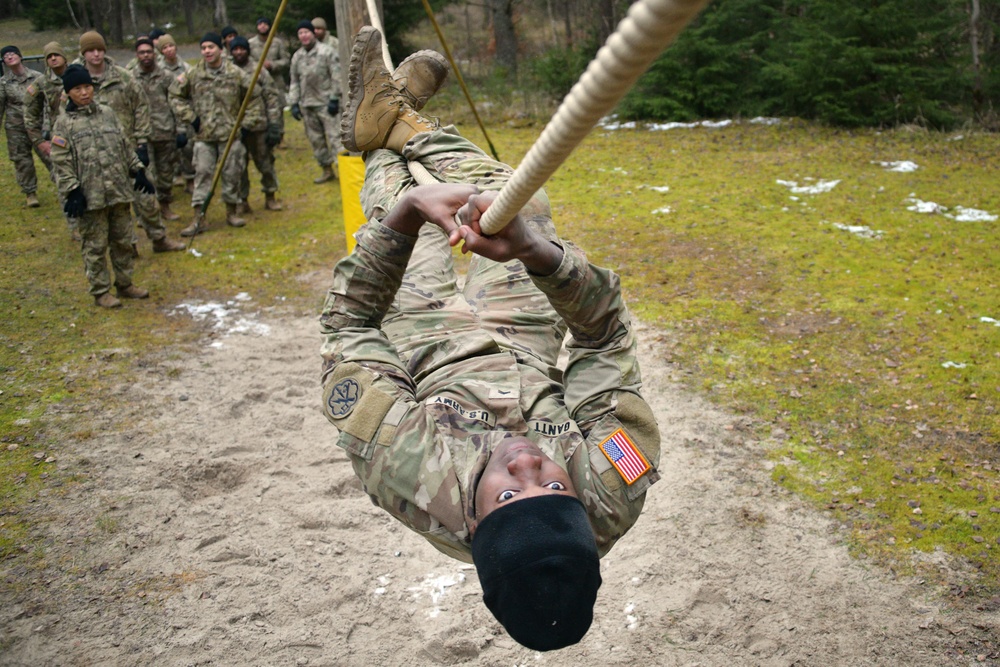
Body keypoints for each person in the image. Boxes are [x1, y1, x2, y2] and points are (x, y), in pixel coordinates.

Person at [321, 27, 660, 652]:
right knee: (512, 199)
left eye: (510, 492)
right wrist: (539, 255)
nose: (529, 464)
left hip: (425, 349)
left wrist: (404, 217)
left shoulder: (404, 468)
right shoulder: (615, 484)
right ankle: (402, 122)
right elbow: (604, 337)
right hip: (525, 339)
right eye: (555, 485)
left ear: (475, 521)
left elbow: (349, 326)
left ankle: (384, 136)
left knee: (413, 219)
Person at [50, 65, 154, 308]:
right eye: (78, 88)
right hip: (90, 196)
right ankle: (100, 291)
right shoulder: (64, 124)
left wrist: (137, 171)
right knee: (95, 246)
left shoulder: (107, 114)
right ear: (68, 93)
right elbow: (60, 161)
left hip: (117, 191)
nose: (85, 92)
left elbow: (123, 144)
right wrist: (73, 191)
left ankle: (126, 284)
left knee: (123, 241)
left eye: (87, 87)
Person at [77, 30, 185, 253]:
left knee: (146, 197)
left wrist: (142, 142)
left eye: (99, 49)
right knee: (114, 206)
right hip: (96, 154)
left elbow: (141, 107)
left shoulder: (123, 77)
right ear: (83, 53)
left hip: (129, 150)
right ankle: (128, 245)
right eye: (90, 50)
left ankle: (158, 238)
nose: (96, 54)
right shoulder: (78, 81)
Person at [169, 32, 263, 236]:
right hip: (204, 136)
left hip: (231, 135)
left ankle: (232, 212)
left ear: (221, 49)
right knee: (202, 174)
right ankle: (199, 218)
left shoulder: (235, 73)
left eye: (211, 47)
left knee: (232, 174)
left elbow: (254, 97)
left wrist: (246, 124)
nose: (207, 51)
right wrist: (191, 118)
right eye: (203, 48)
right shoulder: (193, 74)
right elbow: (175, 96)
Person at [131, 36, 183, 222]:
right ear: (136, 55)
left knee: (165, 174)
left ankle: (165, 207)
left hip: (165, 132)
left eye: (148, 52)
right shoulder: (130, 78)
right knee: (145, 175)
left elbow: (177, 103)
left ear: (154, 54)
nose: (146, 55)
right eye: (141, 52)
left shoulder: (166, 76)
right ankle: (145, 213)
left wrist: (181, 129)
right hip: (141, 136)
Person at [229, 36, 283, 213]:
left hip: (259, 127)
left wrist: (274, 124)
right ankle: (242, 200)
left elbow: (271, 97)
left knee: (265, 162)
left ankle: (270, 195)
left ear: (247, 50)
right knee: (238, 166)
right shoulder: (227, 71)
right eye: (235, 49)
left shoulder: (259, 70)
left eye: (242, 49)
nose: (238, 52)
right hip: (235, 129)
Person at [288, 20, 341, 184]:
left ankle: (344, 171)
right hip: (307, 105)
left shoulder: (327, 52)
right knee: (316, 141)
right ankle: (326, 170)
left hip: (326, 104)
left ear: (313, 33)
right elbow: (294, 81)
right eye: (300, 33)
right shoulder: (297, 57)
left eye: (306, 32)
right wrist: (294, 103)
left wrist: (334, 98)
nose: (303, 36)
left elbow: (337, 76)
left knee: (336, 139)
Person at [0, 45, 45, 208]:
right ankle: (30, 193)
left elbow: (47, 101)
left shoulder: (37, 77)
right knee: (22, 159)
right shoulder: (4, 82)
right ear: (3, 61)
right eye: (6, 56)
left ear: (20, 56)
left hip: (38, 124)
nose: (10, 57)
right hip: (15, 127)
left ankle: (66, 188)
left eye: (12, 54)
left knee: (50, 155)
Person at [157, 33, 195, 194]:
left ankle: (190, 178)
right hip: (164, 114)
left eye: (171, 46)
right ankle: (173, 176)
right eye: (165, 47)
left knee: (187, 147)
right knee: (168, 149)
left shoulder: (186, 68)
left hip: (182, 113)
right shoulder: (158, 69)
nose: (169, 50)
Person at [248, 17, 289, 107]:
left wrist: (272, 65)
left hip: (276, 82)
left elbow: (286, 61)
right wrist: (257, 66)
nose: (262, 26)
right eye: (260, 24)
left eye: (265, 24)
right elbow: (247, 61)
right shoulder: (250, 43)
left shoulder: (278, 43)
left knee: (277, 110)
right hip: (258, 82)